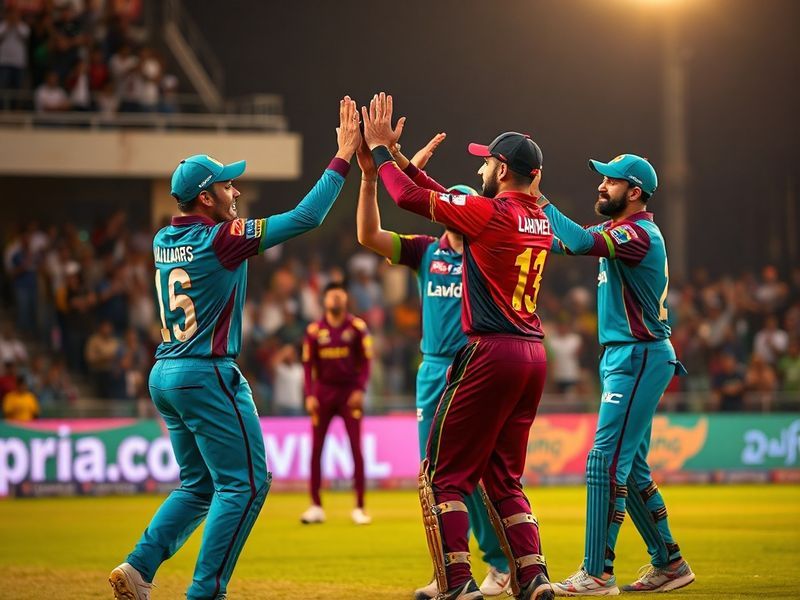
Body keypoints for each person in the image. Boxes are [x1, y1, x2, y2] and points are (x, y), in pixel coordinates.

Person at [108, 96, 362, 600]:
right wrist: (342, 157)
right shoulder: (223, 238)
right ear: (206, 198)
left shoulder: (163, 238)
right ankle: (206, 593)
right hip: (206, 373)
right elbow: (307, 217)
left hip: (166, 375)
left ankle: (139, 568)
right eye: (226, 184)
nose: (235, 189)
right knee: (246, 484)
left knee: (198, 485)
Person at [363, 92, 554, 600]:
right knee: (503, 478)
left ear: (503, 168)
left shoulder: (490, 215)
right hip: (532, 354)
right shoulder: (538, 217)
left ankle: (455, 583)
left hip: (490, 353)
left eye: (487, 160)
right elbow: (446, 205)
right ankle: (533, 578)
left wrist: (381, 152)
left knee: (441, 475)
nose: (483, 167)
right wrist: (405, 162)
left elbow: (408, 200)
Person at [355, 132, 512, 598]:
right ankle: (449, 571)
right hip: (433, 371)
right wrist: (370, 179)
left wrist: (400, 168)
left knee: (478, 472)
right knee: (435, 475)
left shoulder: (487, 252)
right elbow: (368, 236)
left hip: (475, 367)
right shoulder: (427, 250)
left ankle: (501, 565)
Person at [535, 154, 695, 595]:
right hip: (626, 357)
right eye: (602, 179)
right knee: (634, 470)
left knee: (603, 461)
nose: (602, 186)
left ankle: (598, 572)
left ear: (636, 191)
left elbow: (581, 242)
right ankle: (670, 563)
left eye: (612, 180)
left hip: (638, 356)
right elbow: (567, 243)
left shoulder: (638, 234)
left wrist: (537, 198)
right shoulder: (617, 232)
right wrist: (518, 224)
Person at [300, 282, 373, 525]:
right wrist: (310, 395)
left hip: (348, 394)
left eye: (340, 295)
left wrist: (360, 389)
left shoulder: (357, 327)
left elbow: (366, 361)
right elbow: (308, 366)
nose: (336, 300)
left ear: (346, 299)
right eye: (332, 296)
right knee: (316, 449)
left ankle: (360, 507)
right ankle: (315, 506)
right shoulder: (314, 331)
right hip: (323, 394)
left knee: (356, 448)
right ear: (324, 300)